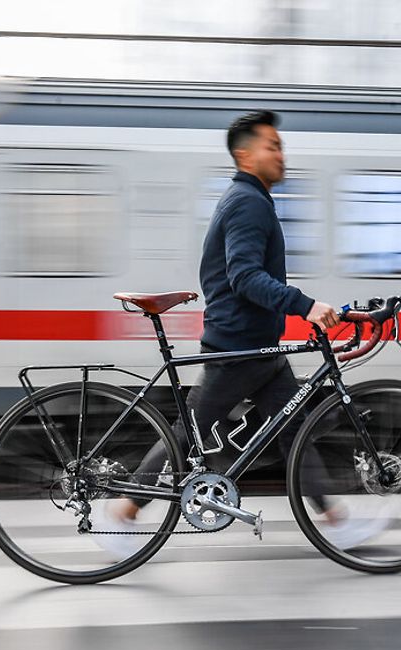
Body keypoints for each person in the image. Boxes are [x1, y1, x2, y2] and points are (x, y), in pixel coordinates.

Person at [91, 110, 383, 556]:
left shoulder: (250, 199)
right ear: (245, 154)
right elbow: (244, 275)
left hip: (256, 348)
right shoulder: (247, 202)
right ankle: (124, 513)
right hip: (240, 348)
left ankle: (335, 521)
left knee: (292, 430)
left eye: (281, 145)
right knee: (188, 433)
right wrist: (306, 306)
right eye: (273, 145)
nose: (282, 153)